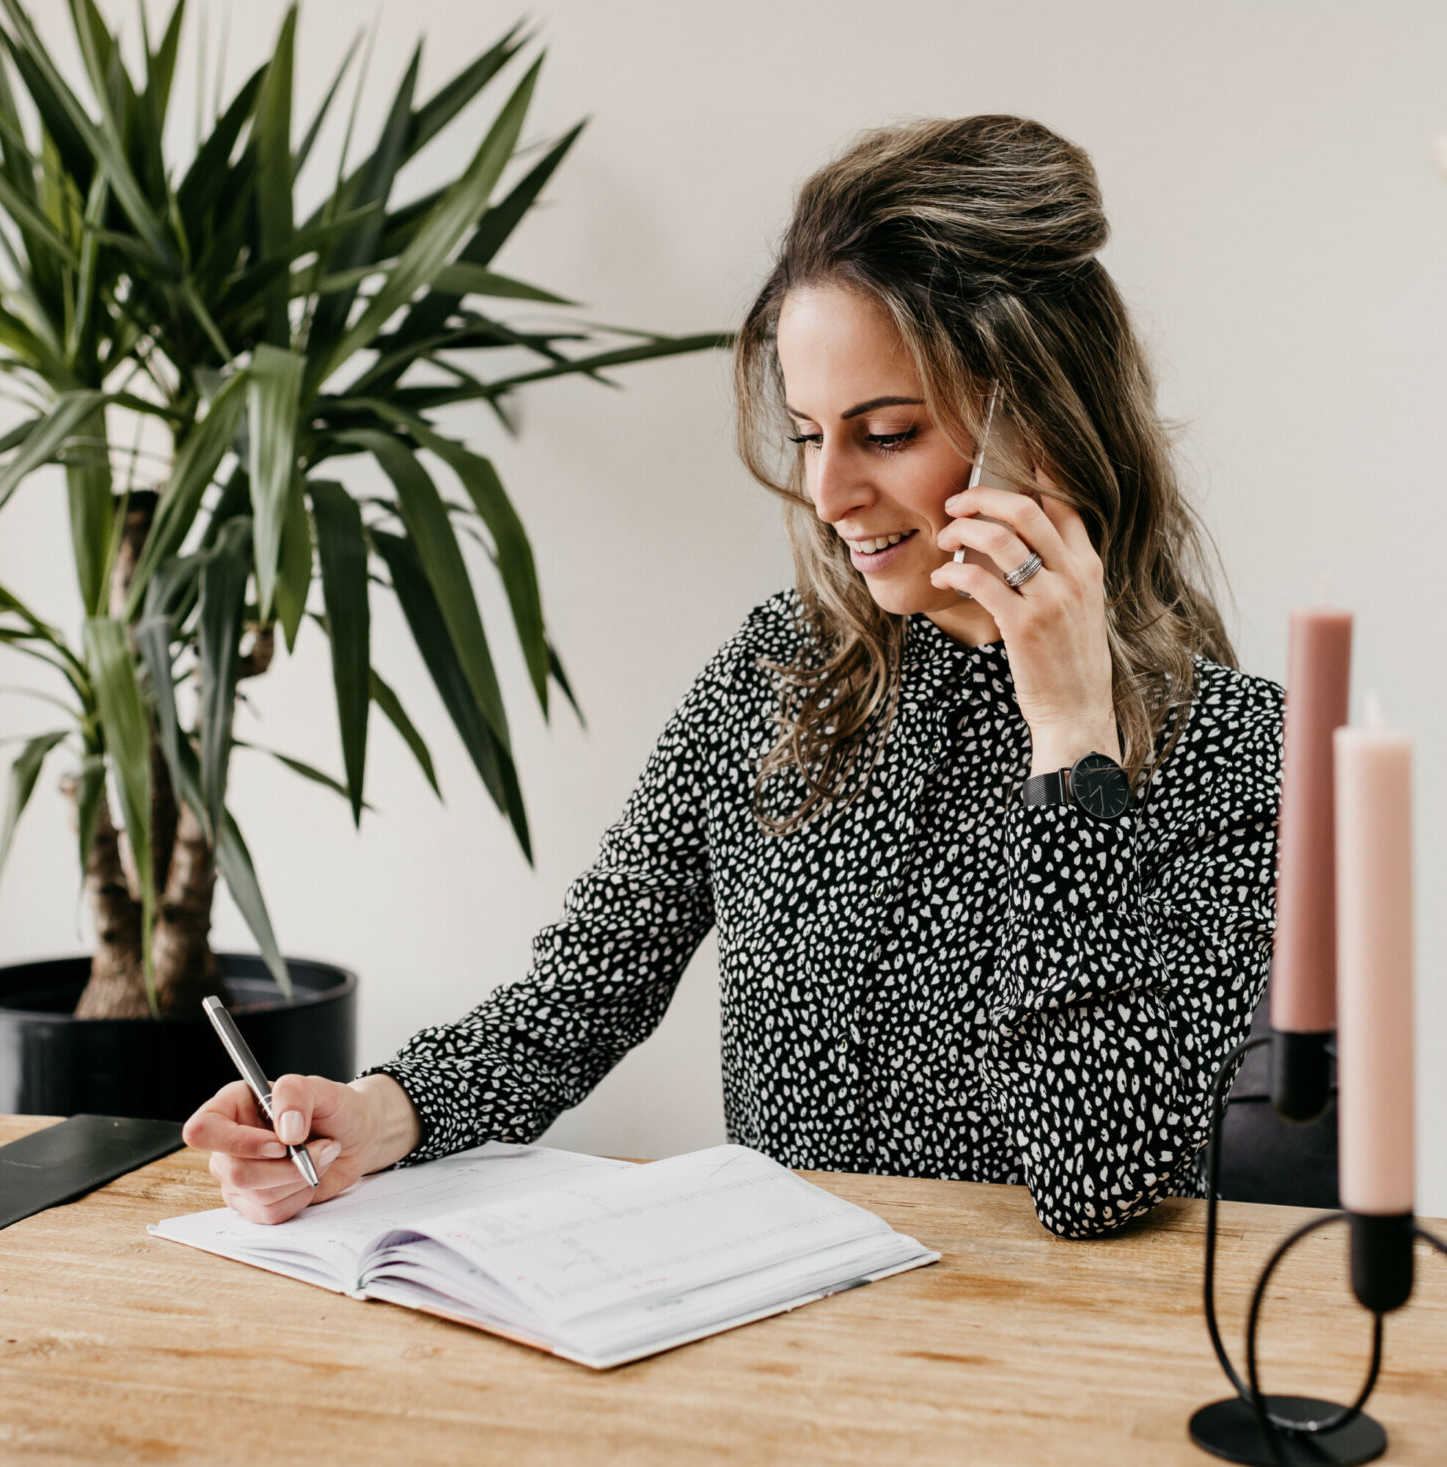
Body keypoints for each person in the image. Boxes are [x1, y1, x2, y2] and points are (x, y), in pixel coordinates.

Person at [183, 114, 1281, 1240]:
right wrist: (375, 1114)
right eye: (810, 434)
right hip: (770, 1356)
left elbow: (1096, 1181)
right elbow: (584, 992)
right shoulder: (778, 674)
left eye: (887, 432)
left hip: (1030, 1372)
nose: (829, 493)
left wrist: (1069, 738)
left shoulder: (1231, 746)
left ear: (1041, 420)